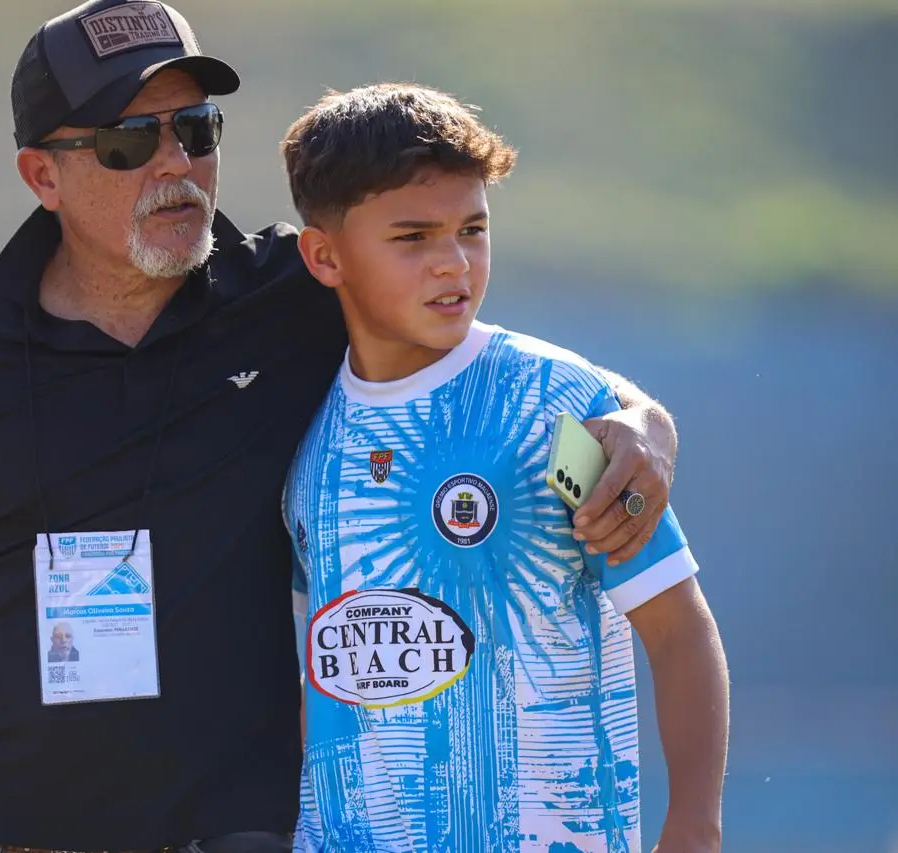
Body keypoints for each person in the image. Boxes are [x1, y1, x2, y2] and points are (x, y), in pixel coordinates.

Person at [0, 2, 684, 852]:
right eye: (129, 141)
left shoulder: (299, 291)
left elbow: (498, 363)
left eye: (196, 128)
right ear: (42, 175)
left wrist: (643, 422)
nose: (174, 163)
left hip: (236, 834)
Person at [279, 83, 730, 852]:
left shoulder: (560, 410)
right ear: (325, 256)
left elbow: (676, 624)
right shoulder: (303, 436)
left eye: (473, 230)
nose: (453, 263)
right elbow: (326, 670)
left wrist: (694, 823)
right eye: (413, 237)